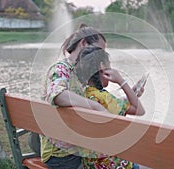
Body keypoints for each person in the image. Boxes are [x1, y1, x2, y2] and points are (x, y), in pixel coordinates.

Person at [40, 24, 108, 169]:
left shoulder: (79, 73)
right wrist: (95, 106)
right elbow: (58, 94)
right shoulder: (60, 68)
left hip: (76, 148)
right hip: (60, 155)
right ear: (83, 43)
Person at [75, 46, 145, 168]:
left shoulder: (82, 95)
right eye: (110, 65)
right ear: (102, 67)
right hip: (113, 165)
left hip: (91, 164)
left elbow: (116, 105)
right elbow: (139, 110)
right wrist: (121, 81)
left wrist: (131, 94)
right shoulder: (104, 98)